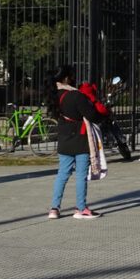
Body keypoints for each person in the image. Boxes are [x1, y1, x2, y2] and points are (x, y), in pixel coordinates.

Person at [47, 65, 102, 220]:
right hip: (80, 138)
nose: (73, 79)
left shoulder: (54, 95)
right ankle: (81, 208)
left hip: (64, 139)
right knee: (81, 175)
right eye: (71, 76)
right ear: (65, 78)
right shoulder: (76, 96)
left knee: (62, 174)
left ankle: (54, 208)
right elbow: (92, 115)